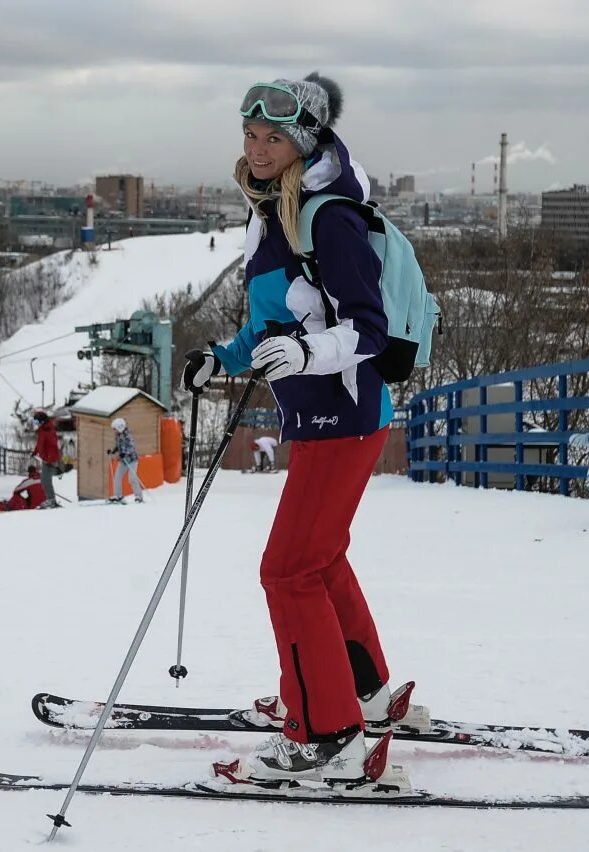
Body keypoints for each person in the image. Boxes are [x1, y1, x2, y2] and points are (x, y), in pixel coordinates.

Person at [182, 73, 426, 786]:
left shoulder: (329, 216)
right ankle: (361, 694)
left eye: (275, 137)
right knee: (315, 563)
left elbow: (368, 330)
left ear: (304, 141)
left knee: (286, 571)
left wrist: (308, 353)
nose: (258, 148)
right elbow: (273, 323)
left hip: (345, 413)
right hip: (324, 417)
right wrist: (219, 359)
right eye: (251, 135)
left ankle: (326, 735)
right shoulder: (273, 214)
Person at [107, 418, 144, 504]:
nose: (114, 431)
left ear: (120, 427)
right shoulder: (118, 435)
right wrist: (113, 451)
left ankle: (139, 497)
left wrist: (124, 453)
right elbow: (118, 445)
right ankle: (118, 496)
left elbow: (131, 447)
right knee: (117, 477)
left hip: (132, 460)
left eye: (115, 429)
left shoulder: (128, 435)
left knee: (132, 478)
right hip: (123, 460)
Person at [31, 410, 62, 508]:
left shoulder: (49, 431)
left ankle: (51, 500)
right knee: (44, 480)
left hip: (50, 460)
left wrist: (50, 458)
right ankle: (50, 499)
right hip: (45, 459)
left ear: (42, 421)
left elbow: (54, 446)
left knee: (45, 480)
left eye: (37, 422)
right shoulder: (43, 430)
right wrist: (35, 451)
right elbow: (40, 443)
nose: (36, 424)